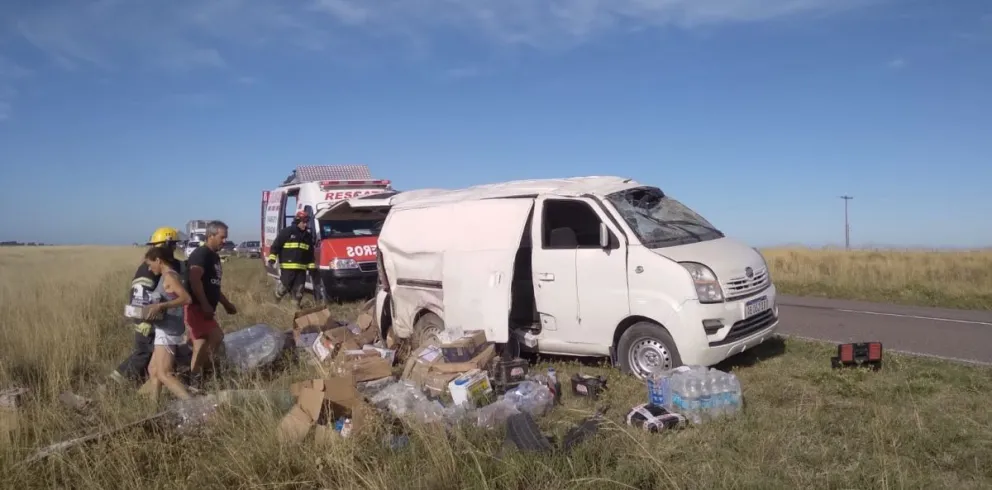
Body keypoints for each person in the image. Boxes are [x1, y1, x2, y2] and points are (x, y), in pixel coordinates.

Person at [110, 226, 192, 385]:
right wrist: (144, 322)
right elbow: (138, 297)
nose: (174, 248)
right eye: (172, 244)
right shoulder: (147, 269)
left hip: (166, 323)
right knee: (143, 353)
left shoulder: (175, 265)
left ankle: (150, 388)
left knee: (158, 358)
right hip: (148, 321)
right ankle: (111, 386)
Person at [136, 247, 193, 403]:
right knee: (153, 370)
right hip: (165, 328)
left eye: (150, 263)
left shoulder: (169, 277)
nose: (149, 268)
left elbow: (186, 299)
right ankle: (153, 409)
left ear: (158, 260)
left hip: (169, 330)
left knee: (164, 374)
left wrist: (161, 306)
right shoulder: (167, 276)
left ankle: (194, 405)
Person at [185, 220, 237, 381]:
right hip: (196, 307)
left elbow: (213, 286)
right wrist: (205, 304)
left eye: (225, 238)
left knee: (208, 341)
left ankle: (199, 374)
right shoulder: (202, 254)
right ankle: (196, 376)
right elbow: (194, 280)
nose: (224, 241)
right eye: (222, 237)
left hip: (205, 308)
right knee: (207, 342)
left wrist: (226, 303)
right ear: (210, 236)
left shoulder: (214, 257)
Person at [267, 210, 319, 307]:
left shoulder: (307, 236)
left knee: (299, 290)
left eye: (306, 222)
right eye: (303, 222)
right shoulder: (287, 232)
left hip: (301, 269)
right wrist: (272, 258)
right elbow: (275, 246)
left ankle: (294, 310)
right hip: (287, 267)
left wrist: (311, 267)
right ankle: (274, 302)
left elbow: (310, 253)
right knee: (284, 287)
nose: (305, 224)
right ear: (297, 221)